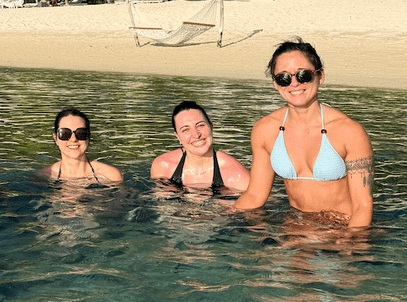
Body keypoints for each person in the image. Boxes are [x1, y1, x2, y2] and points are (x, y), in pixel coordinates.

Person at [235, 38, 374, 227]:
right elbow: (255, 195)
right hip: (295, 228)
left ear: (320, 76)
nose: (294, 84)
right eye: (283, 78)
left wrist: (351, 244)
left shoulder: (349, 131)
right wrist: (221, 222)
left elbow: (362, 206)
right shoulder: (265, 130)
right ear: (275, 84)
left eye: (303, 75)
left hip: (341, 230)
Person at [150, 101, 250, 191]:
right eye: (185, 130)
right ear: (178, 137)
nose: (196, 135)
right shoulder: (163, 167)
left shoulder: (236, 175)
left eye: (200, 125)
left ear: (211, 127)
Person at [38, 107, 123, 182]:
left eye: (81, 133)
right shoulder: (45, 176)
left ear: (88, 137)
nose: (73, 139)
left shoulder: (111, 176)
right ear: (56, 138)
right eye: (65, 133)